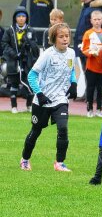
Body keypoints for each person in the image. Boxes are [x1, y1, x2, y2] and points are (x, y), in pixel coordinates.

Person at [20, 23, 77, 172]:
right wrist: (39, 93)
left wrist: (74, 83)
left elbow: (71, 70)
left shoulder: (71, 53)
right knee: (36, 131)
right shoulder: (47, 55)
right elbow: (32, 75)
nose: (65, 39)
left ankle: (59, 163)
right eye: (61, 36)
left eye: (67, 36)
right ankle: (25, 159)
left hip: (60, 99)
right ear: (54, 38)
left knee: (63, 128)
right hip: (43, 101)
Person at [1, 6, 39, 113]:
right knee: (14, 84)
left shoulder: (31, 30)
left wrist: (29, 43)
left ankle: (29, 106)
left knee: (29, 83)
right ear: (15, 18)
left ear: (26, 18)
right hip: (14, 62)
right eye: (19, 16)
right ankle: (14, 107)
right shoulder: (10, 30)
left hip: (27, 62)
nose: (21, 18)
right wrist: (14, 54)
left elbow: (35, 46)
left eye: (23, 16)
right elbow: (4, 44)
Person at [81, 10, 102, 118]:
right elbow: (84, 49)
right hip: (91, 66)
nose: (97, 21)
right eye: (95, 19)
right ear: (91, 21)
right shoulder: (88, 33)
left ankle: (99, 109)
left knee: (100, 89)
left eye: (99, 19)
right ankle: (89, 109)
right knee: (90, 88)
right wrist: (91, 53)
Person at [74, 0, 102, 69]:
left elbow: (96, 29)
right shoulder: (86, 8)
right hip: (81, 45)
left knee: (87, 71)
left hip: (87, 46)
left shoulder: (94, 10)